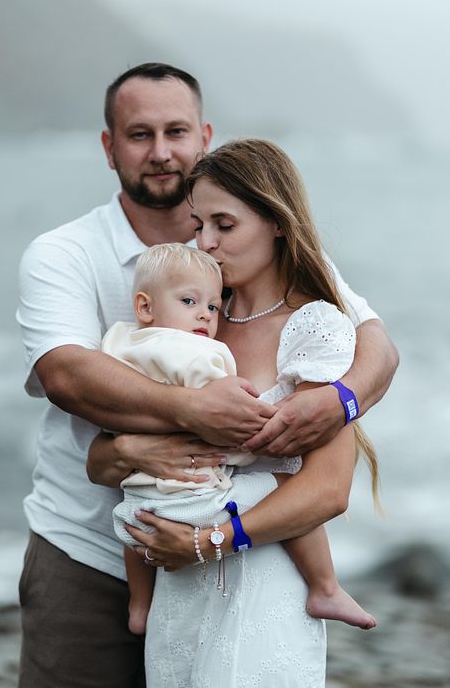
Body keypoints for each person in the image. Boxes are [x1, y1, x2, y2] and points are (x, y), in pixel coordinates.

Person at [17, 62, 398, 688]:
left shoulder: (260, 268)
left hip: (227, 554)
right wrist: (175, 423)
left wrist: (342, 400)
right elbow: (67, 377)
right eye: (139, 135)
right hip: (92, 545)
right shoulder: (67, 254)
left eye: (176, 131)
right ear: (109, 147)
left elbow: (374, 343)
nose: (161, 152)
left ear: (204, 138)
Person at [112, 138, 384, 686]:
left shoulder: (316, 325)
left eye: (225, 225)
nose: (206, 242)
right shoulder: (192, 323)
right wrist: (128, 453)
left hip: (262, 579)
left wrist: (204, 542)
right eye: (198, 225)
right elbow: (109, 450)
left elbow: (329, 491)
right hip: (177, 585)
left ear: (277, 222)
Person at [105, 242, 376, 637]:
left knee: (136, 535)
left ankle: (139, 608)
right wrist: (257, 442)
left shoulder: (118, 345)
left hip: (137, 502)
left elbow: (106, 412)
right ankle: (325, 586)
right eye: (189, 302)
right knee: (283, 485)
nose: (204, 314)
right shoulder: (200, 355)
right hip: (196, 500)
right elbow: (222, 423)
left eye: (213, 307)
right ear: (145, 306)